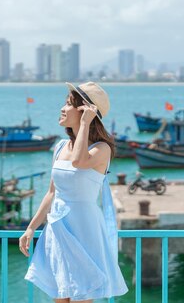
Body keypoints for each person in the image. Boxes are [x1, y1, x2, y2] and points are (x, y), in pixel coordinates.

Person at [20, 81, 128, 302]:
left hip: (84, 229)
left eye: (69, 104)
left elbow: (80, 161)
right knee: (60, 297)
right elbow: (51, 193)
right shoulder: (60, 147)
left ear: (85, 111)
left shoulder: (101, 149)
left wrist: (86, 123)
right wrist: (31, 228)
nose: (62, 108)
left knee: (81, 296)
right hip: (58, 229)